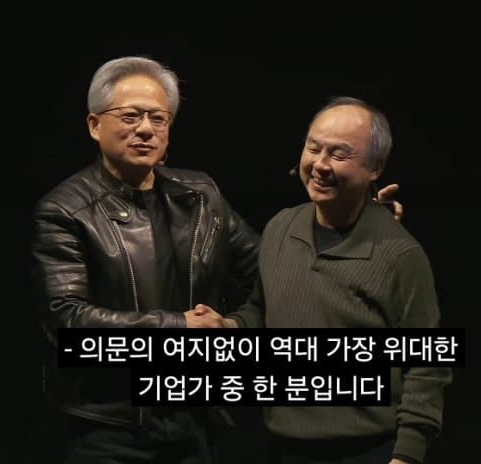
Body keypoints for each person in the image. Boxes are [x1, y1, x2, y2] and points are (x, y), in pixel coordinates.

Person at [31, 57, 402, 463]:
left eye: (158, 118)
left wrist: (354, 223)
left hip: (195, 418)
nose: (145, 129)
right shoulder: (65, 211)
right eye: (130, 116)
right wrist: (180, 327)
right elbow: (67, 323)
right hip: (110, 425)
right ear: (94, 125)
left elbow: (276, 270)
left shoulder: (200, 195)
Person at [204, 97, 451, 464]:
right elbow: (262, 309)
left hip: (368, 450)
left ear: (375, 167)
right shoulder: (281, 227)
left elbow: (427, 364)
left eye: (339, 154)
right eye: (313, 148)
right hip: (283, 446)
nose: (320, 164)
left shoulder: (400, 255)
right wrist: (230, 326)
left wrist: (407, 456)